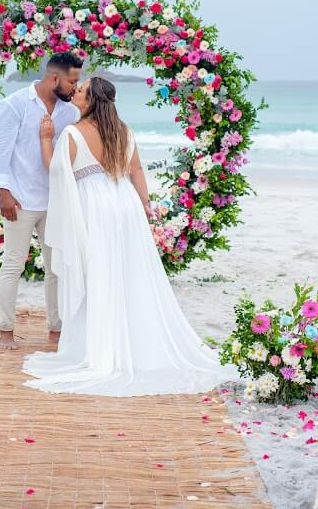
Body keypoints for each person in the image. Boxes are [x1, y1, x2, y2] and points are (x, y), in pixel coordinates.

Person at [22, 76, 238, 395]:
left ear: (91, 100)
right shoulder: (123, 131)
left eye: (80, 90)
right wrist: (145, 204)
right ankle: (135, 343)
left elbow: (55, 169)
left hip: (95, 207)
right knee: (129, 272)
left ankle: (99, 347)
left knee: (97, 272)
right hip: (125, 203)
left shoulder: (72, 133)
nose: (75, 92)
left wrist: (45, 138)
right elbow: (135, 170)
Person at [0, 51, 82, 350]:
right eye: (72, 82)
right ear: (55, 78)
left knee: (56, 268)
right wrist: (3, 192)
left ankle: (56, 330)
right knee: (13, 264)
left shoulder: (70, 112)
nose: (76, 88)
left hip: (55, 201)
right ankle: (5, 330)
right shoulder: (13, 105)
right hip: (20, 199)